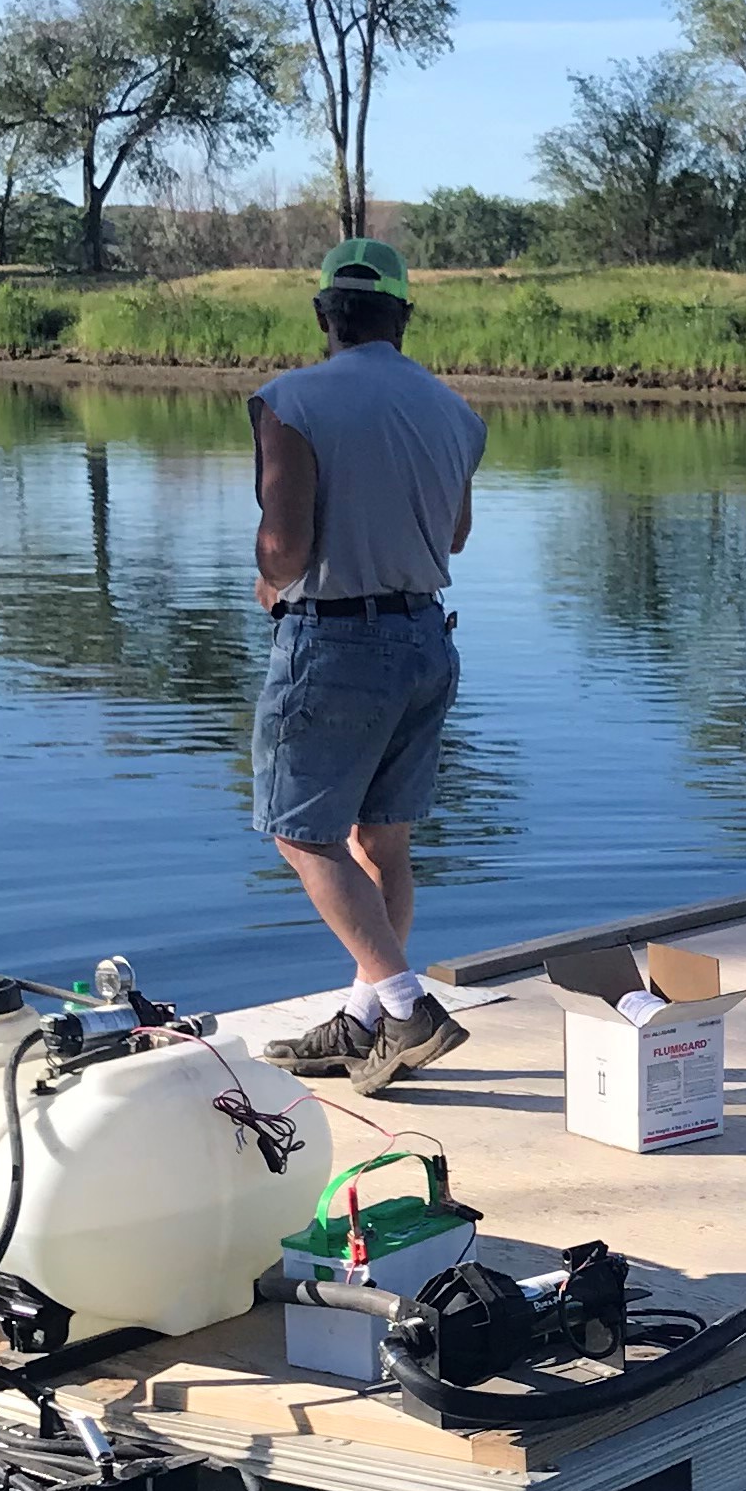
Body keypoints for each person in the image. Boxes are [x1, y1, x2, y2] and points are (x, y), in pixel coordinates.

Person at [246, 239, 486, 1091]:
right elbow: (454, 534)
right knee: (382, 839)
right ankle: (363, 1020)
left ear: (324, 314)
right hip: (426, 638)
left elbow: (285, 543)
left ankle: (405, 1005)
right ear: (402, 316)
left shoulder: (292, 400)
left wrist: (269, 581)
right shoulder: (456, 412)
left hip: (335, 639)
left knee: (301, 831)